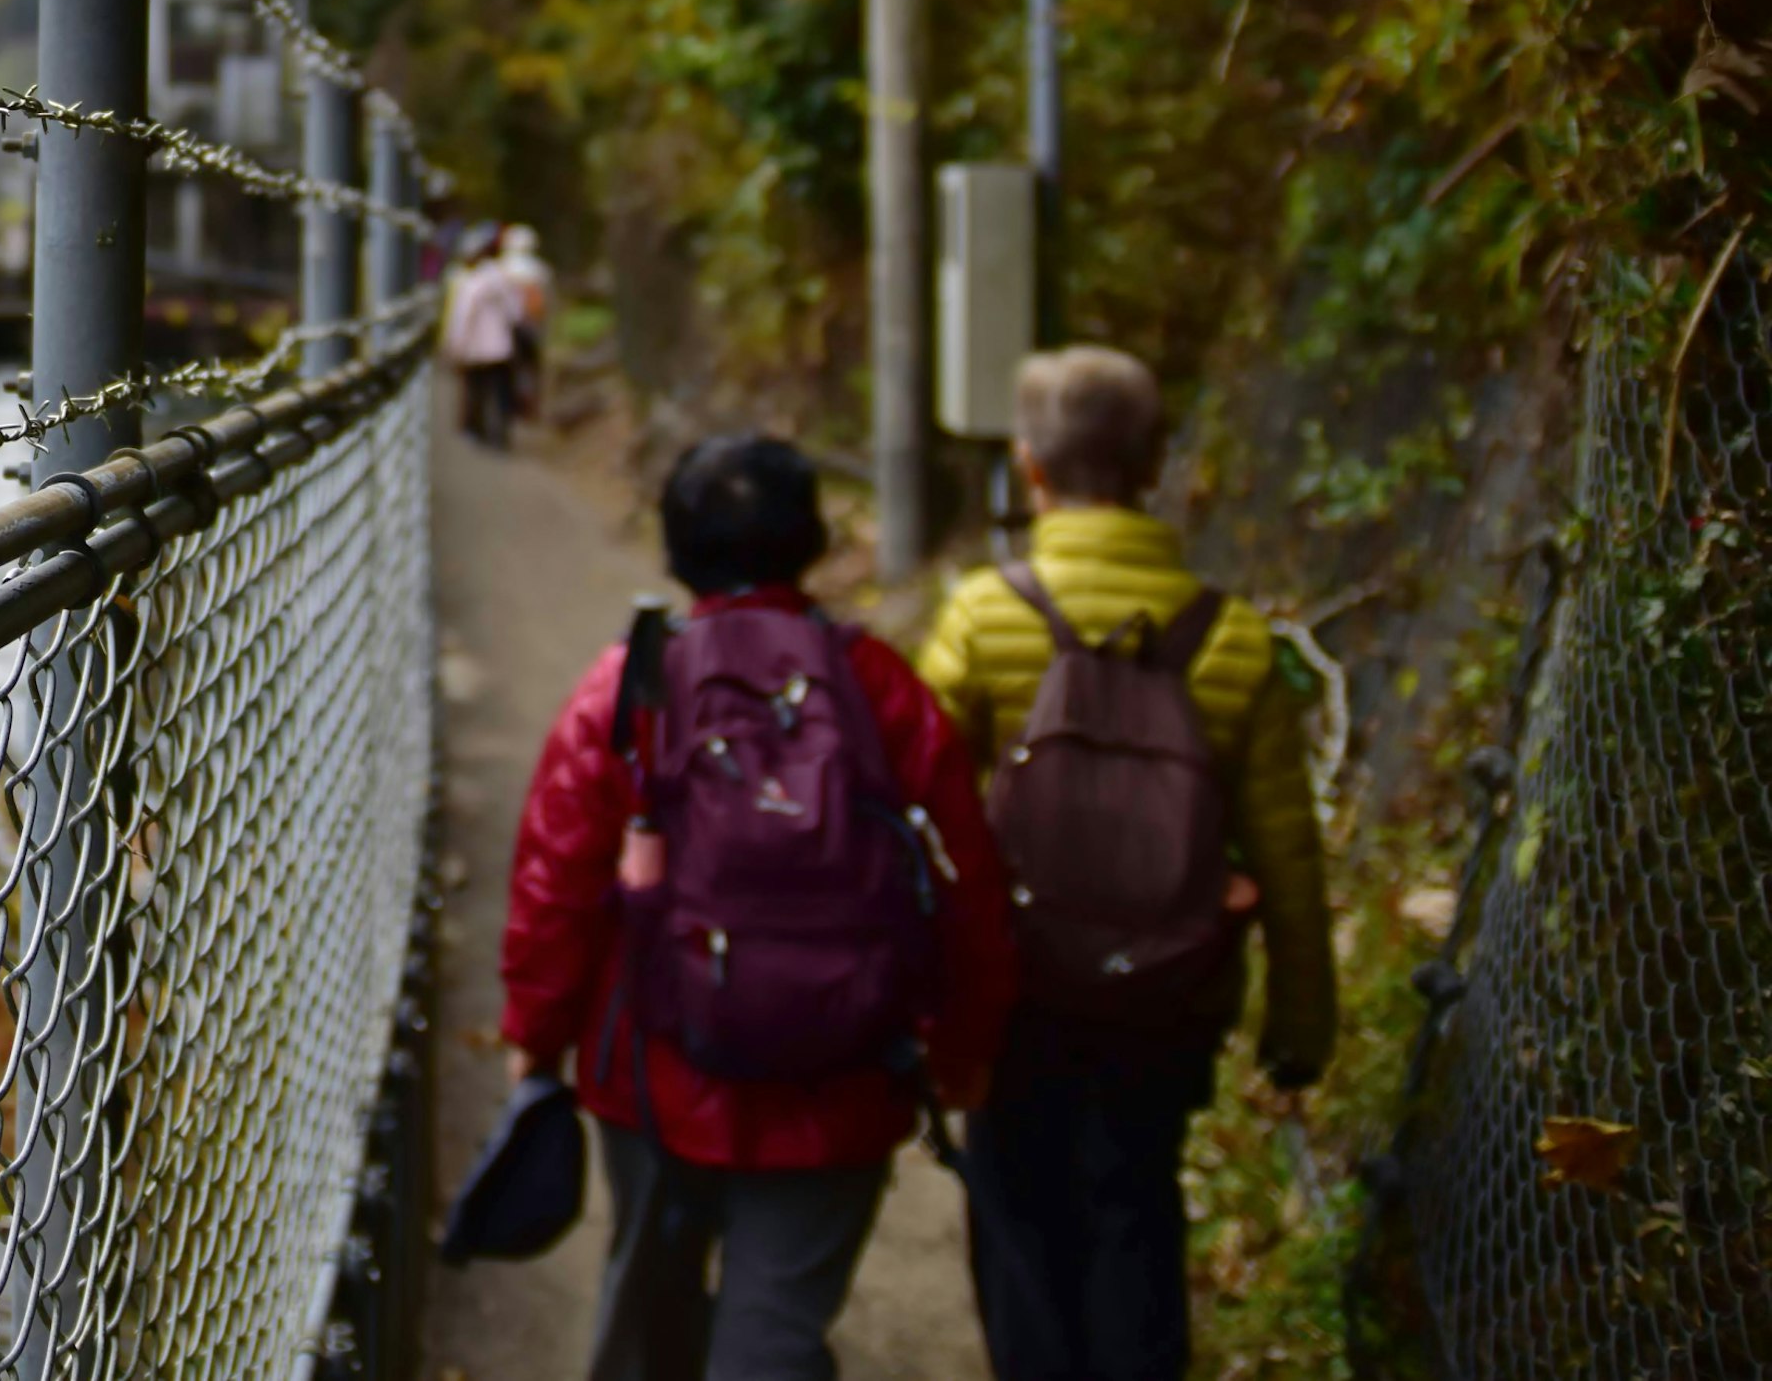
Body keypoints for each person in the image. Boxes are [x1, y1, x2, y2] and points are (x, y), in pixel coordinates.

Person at [503, 433, 1016, 1381]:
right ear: (812, 540)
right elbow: (964, 877)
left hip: (655, 1065)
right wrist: (963, 1049)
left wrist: (535, 1036)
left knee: (649, 1300)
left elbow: (557, 878)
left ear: (676, 546)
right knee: (775, 1329)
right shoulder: (877, 686)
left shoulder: (629, 689)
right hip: (843, 1071)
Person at [915, 347, 1336, 1381]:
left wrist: (922, 988)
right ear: (1156, 466)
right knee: (1136, 1202)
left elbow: (917, 799)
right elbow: (1288, 851)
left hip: (1019, 986)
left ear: (1030, 465)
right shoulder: (1233, 640)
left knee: (1016, 1211)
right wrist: (1300, 1021)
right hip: (1166, 994)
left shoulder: (984, 613)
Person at [445, 231, 521, 447]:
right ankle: (501, 435)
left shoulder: (472, 282)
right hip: (501, 347)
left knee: (475, 391)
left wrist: (455, 345)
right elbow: (515, 313)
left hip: (476, 349)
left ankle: (476, 431)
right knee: (500, 393)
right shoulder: (505, 280)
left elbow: (462, 316)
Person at [497, 224, 556, 427]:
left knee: (511, 369)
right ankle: (529, 406)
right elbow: (547, 302)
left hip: (507, 328)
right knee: (530, 368)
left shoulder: (501, 269)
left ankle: (511, 407)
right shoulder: (540, 270)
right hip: (532, 326)